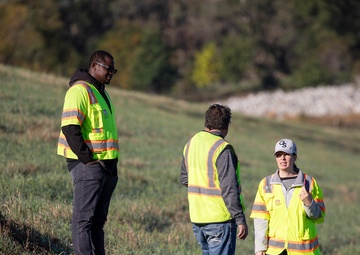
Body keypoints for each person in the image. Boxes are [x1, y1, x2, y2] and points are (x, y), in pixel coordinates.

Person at [57, 50, 120, 255]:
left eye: (113, 70)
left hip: (107, 167)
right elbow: (70, 128)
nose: (111, 73)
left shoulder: (101, 92)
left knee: (97, 223)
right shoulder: (80, 90)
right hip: (88, 166)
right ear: (94, 66)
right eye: (108, 69)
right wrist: (88, 160)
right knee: (83, 221)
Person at [180, 104, 248, 255]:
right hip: (220, 220)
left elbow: (185, 178)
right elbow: (229, 188)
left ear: (207, 122)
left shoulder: (191, 143)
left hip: (198, 219)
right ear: (226, 125)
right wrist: (240, 219)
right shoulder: (222, 148)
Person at [250, 139, 325, 255]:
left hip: (304, 252)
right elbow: (260, 219)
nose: (282, 158)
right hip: (274, 251)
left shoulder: (309, 183)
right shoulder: (266, 184)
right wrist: (260, 247)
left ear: (294, 157)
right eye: (279, 155)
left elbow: (319, 217)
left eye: (286, 154)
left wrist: (309, 203)